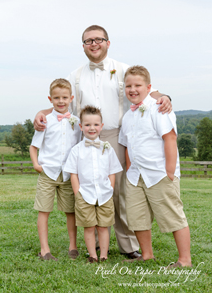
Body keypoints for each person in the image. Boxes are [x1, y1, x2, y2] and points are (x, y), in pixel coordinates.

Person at [33, 25, 172, 259]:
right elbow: (62, 100)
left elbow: (149, 90)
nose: (93, 44)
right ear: (83, 46)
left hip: (115, 136)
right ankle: (95, 243)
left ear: (108, 42)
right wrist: (43, 111)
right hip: (84, 138)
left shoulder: (122, 69)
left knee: (118, 191)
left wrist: (165, 97)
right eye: (88, 41)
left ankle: (128, 245)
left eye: (98, 39)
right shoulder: (75, 75)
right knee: (89, 186)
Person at [118, 66, 191, 268]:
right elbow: (126, 144)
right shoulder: (127, 116)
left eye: (138, 85)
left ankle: (185, 260)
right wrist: (130, 167)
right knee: (137, 216)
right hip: (135, 175)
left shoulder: (158, 108)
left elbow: (170, 138)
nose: (133, 89)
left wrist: (169, 171)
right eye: (129, 86)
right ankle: (147, 254)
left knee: (172, 215)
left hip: (159, 173)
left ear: (149, 87)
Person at [29, 78, 81, 261]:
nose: (61, 101)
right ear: (50, 99)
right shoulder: (45, 121)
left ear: (71, 98)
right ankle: (45, 250)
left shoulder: (76, 122)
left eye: (65, 97)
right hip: (48, 172)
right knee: (44, 210)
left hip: (68, 174)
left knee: (71, 211)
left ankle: (73, 246)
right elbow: (34, 146)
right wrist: (36, 164)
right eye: (57, 97)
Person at [64, 106, 123, 263]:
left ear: (101, 126)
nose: (92, 128)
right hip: (85, 194)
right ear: (81, 126)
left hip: (104, 194)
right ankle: (93, 255)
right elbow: (73, 173)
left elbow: (113, 170)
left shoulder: (107, 148)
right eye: (88, 125)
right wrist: (78, 193)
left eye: (96, 124)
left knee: (103, 226)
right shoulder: (76, 150)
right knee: (89, 227)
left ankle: (103, 254)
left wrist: (110, 188)